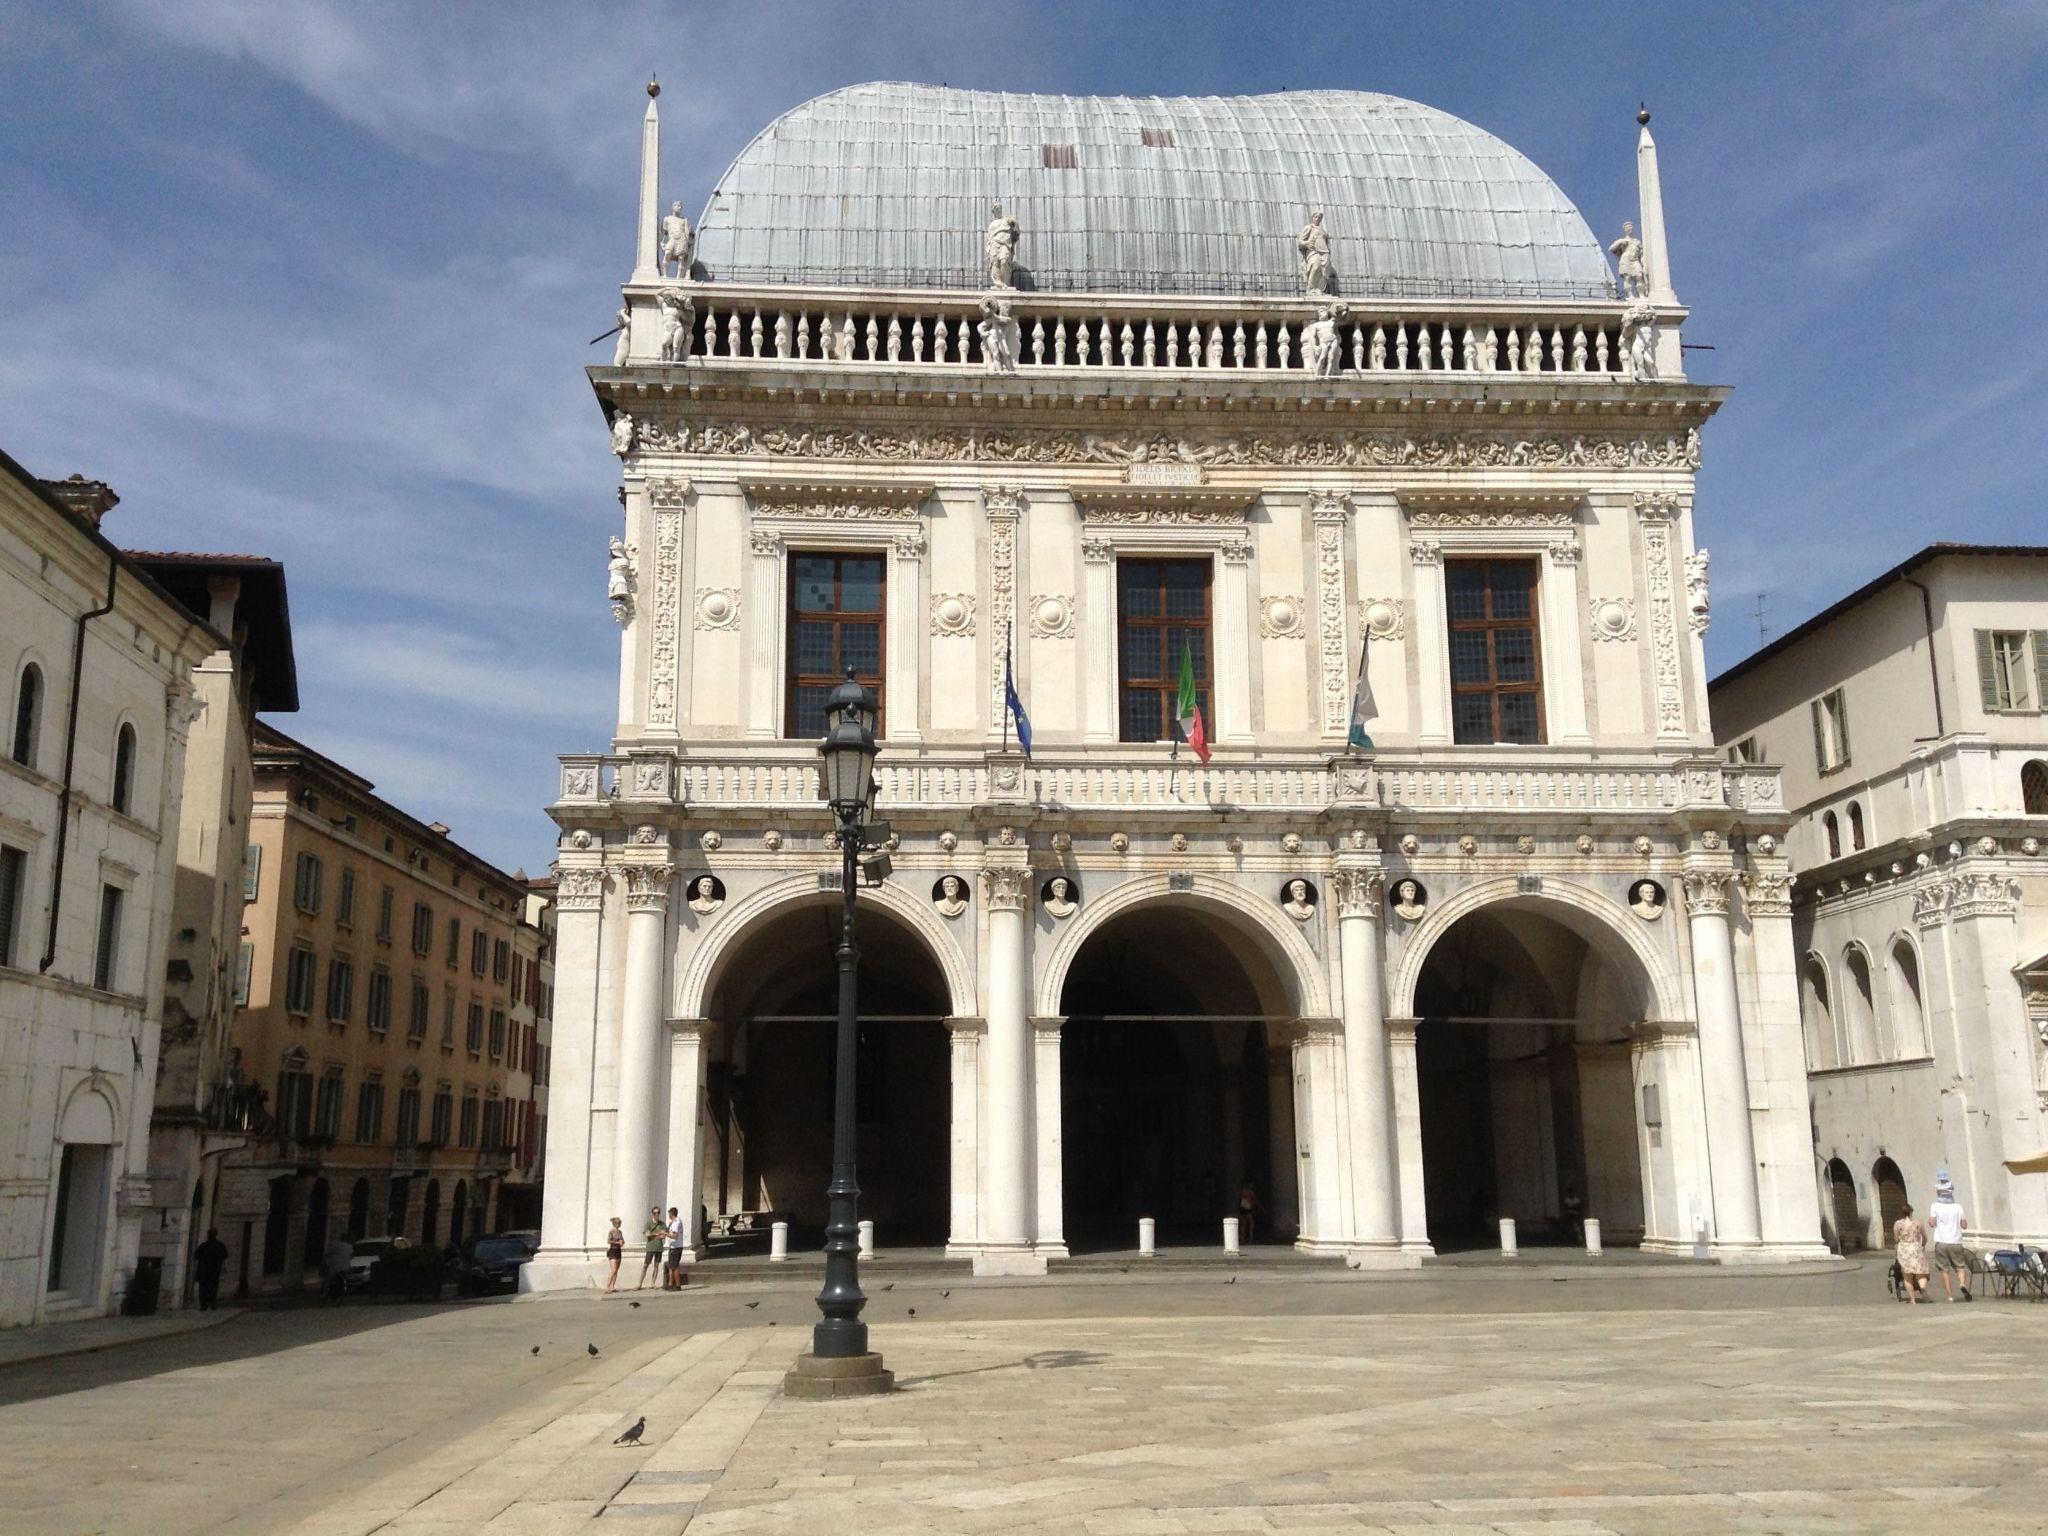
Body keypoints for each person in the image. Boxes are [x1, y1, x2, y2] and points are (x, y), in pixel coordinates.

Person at [1929, 1176, 1972, 1301]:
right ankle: (1962, 1283)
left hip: (1941, 1242)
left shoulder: (1935, 1206)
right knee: (1960, 1266)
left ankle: (1950, 1296)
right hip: (1956, 1241)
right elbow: (1964, 1225)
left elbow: (1932, 1223)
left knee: (1944, 1269)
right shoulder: (1958, 1207)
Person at [1892, 1201, 1929, 1303]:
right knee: (1921, 1273)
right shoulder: (1917, 1223)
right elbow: (1925, 1237)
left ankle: (1912, 1299)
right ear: (1911, 1212)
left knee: (1907, 1275)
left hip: (1904, 1250)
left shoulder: (1898, 1224)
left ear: (1902, 1213)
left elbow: (1896, 1239)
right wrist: (1922, 1245)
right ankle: (1922, 1287)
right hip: (1915, 1248)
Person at [193, 1228, 228, 1312]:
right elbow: (225, 1257)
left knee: (203, 1288)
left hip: (204, 1271)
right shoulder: (220, 1245)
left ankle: (203, 1304)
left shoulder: (203, 1246)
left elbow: (196, 1256)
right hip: (215, 1271)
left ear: (208, 1235)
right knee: (213, 1287)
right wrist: (225, 1267)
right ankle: (212, 1303)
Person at [638, 1206, 666, 1290]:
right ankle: (639, 1283)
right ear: (652, 1214)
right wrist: (657, 1234)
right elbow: (647, 1234)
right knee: (645, 1265)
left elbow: (663, 1235)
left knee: (656, 1265)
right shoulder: (649, 1223)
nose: (656, 1214)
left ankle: (653, 1283)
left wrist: (653, 1234)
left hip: (658, 1247)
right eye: (655, 1213)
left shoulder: (662, 1224)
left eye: (658, 1213)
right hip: (650, 1247)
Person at [322, 1234, 353, 1305]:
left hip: (335, 1267)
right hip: (345, 1268)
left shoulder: (336, 1245)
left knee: (331, 1281)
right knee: (342, 1281)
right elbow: (351, 1256)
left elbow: (327, 1254)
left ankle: (327, 1293)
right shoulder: (349, 1246)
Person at [664, 1206, 688, 1290]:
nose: (668, 1215)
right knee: (671, 1266)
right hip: (674, 1247)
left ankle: (677, 1284)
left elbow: (674, 1236)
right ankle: (671, 1283)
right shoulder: (675, 1222)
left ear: (671, 1214)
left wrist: (665, 1234)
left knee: (674, 1266)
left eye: (669, 1214)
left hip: (675, 1247)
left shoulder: (675, 1223)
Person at [603, 1217, 625, 1295]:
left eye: (620, 1223)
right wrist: (617, 1242)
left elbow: (622, 1240)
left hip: (618, 1251)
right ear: (615, 1224)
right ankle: (607, 1287)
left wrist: (622, 1242)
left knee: (616, 1270)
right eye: (618, 1223)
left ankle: (612, 1286)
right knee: (613, 1270)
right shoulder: (611, 1231)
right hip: (612, 1250)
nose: (619, 1224)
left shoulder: (620, 1232)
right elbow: (608, 1241)